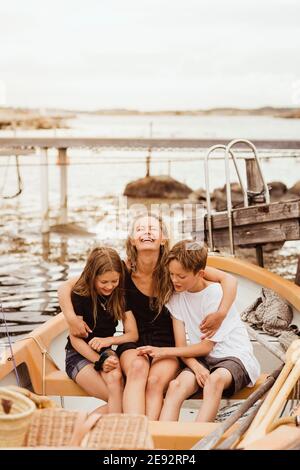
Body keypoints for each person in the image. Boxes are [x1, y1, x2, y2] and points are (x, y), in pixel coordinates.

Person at [59, 213, 238, 419]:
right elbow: (66, 286)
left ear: (163, 239)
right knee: (136, 370)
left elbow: (229, 280)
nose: (146, 232)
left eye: (152, 228)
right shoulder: (123, 270)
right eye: (140, 229)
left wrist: (221, 313)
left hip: (167, 343)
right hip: (134, 341)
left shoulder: (174, 268)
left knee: (154, 382)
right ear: (133, 241)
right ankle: (135, 432)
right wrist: (71, 318)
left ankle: (148, 436)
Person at [137, 240, 260, 422]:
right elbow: (182, 346)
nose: (174, 280)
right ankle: (164, 443)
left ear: (200, 274)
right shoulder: (176, 298)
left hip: (233, 356)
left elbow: (206, 347)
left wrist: (162, 351)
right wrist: (195, 367)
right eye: (171, 274)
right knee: (175, 386)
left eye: (181, 276)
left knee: (213, 381)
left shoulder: (215, 294)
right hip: (202, 359)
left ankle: (199, 442)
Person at [65, 246, 138, 413]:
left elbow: (133, 334)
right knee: (122, 403)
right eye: (104, 282)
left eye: (115, 281)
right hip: (78, 354)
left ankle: (96, 433)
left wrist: (108, 342)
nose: (110, 287)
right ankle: (82, 433)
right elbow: (76, 340)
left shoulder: (120, 294)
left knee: (116, 379)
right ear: (92, 277)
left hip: (105, 350)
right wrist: (100, 361)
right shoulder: (80, 294)